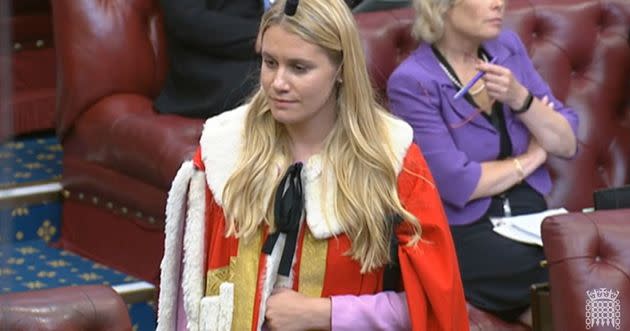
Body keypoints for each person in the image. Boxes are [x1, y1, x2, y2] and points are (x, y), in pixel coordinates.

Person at [156, 0, 469, 330]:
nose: (278, 82)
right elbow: (189, 299)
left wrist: (327, 313)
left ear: (340, 71)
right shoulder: (225, 151)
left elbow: (435, 305)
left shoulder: (393, 161)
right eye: (270, 62)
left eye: (299, 67)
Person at [387, 0, 579, 326]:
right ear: (441, 7)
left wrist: (521, 98)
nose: (499, 4)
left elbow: (565, 141)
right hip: (464, 232)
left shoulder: (506, 49)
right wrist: (532, 157)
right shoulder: (412, 81)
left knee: (584, 263)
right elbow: (459, 182)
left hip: (529, 218)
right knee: (574, 275)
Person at [154, 0, 264, 118]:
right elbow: (188, 19)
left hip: (265, 53)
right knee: (271, 85)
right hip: (209, 63)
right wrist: (262, 35)